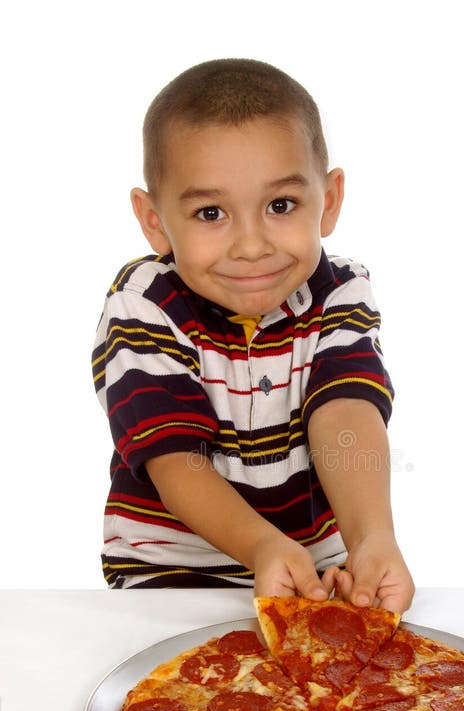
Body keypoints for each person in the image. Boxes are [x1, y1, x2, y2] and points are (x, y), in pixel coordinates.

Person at [92, 58, 414, 613]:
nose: (251, 246)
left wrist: (371, 538)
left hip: (318, 573)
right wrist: (263, 546)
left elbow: (345, 415)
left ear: (329, 200)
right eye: (210, 213)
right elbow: (174, 459)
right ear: (154, 220)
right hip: (172, 575)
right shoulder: (143, 303)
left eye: (280, 206)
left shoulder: (341, 291)